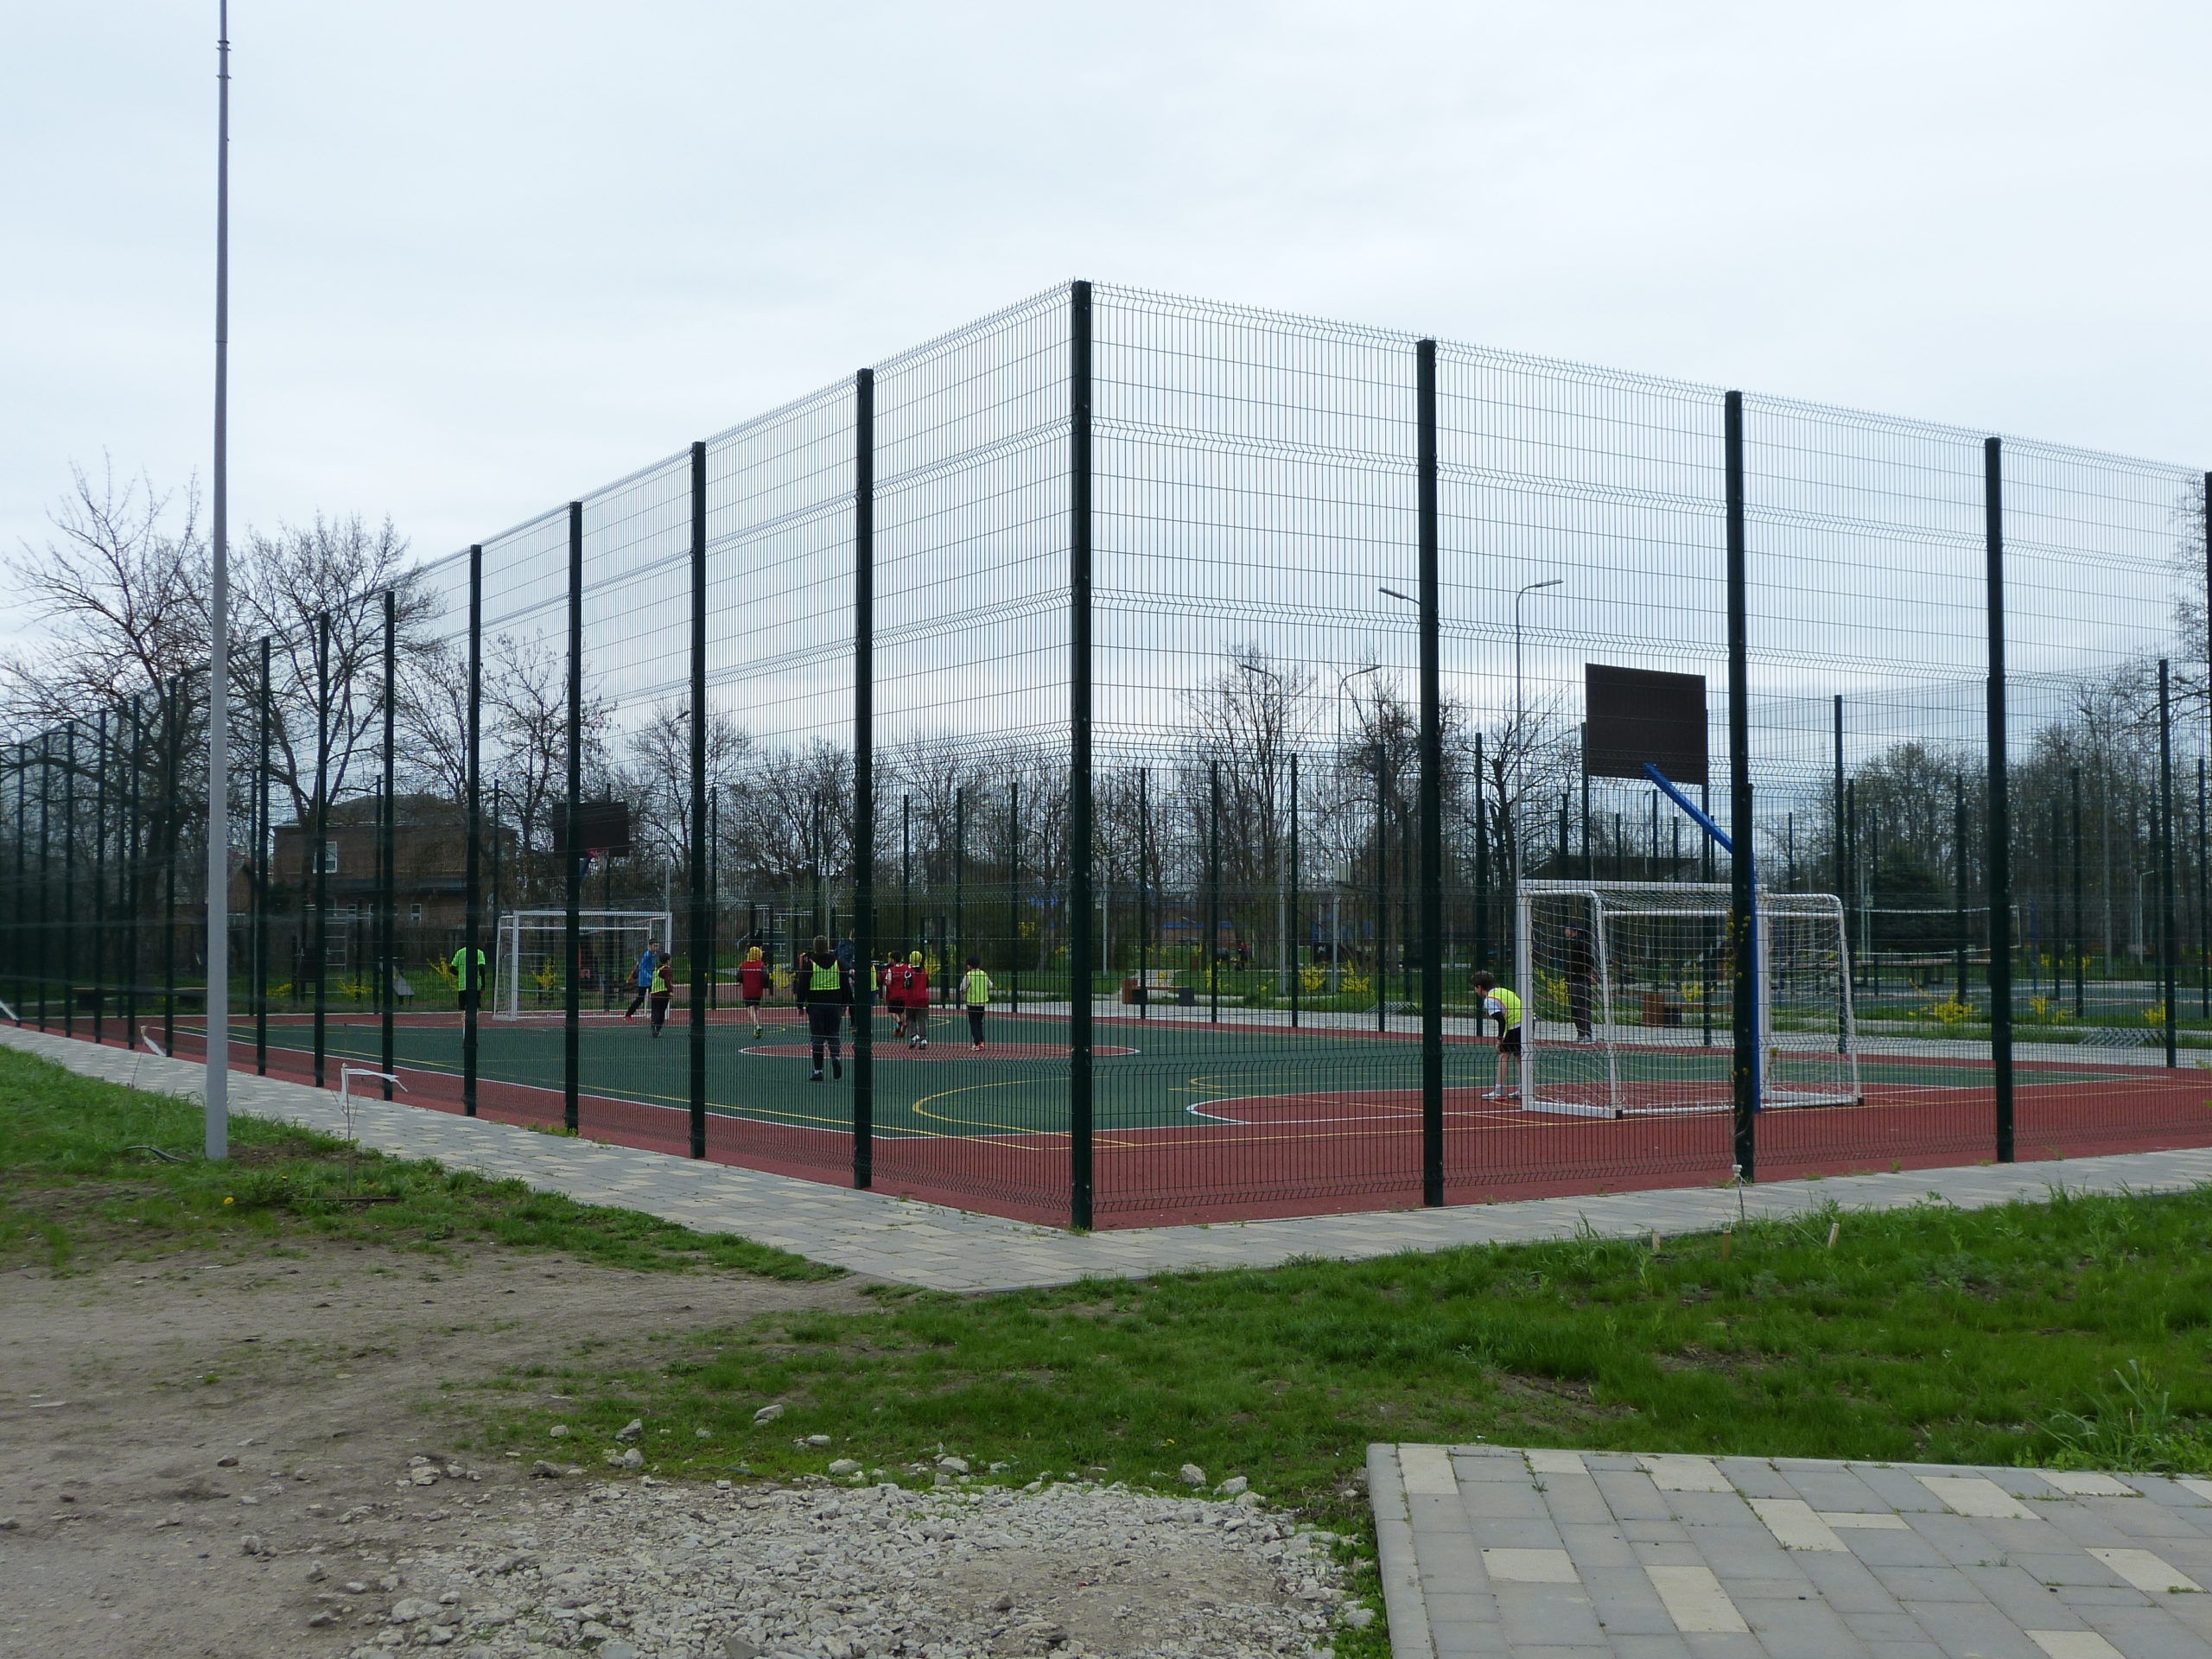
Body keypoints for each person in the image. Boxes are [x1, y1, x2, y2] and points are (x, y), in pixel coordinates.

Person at [795, 935, 849, 1083]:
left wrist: (800, 1005)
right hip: (834, 1004)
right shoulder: (837, 963)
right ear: (827, 947)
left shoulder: (810, 964)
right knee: (833, 1033)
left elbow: (802, 986)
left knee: (817, 1037)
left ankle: (818, 1071)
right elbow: (845, 984)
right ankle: (835, 1057)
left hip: (816, 1005)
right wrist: (845, 1003)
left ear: (814, 947)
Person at [1470, 971, 1522, 1101]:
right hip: (1527, 1022)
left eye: (1475, 987)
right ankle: (1524, 1089)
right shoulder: (1502, 991)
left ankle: (1499, 1091)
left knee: (1504, 1055)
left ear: (1479, 987)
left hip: (1516, 1024)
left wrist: (1499, 1040)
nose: (1475, 990)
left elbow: (1501, 1020)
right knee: (1520, 1056)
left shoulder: (1489, 999)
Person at [1563, 923, 1595, 1042]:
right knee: (1575, 1007)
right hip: (1572, 979)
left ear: (1573, 930)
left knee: (1582, 1007)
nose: (1565, 931)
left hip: (1580, 980)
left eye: (1567, 929)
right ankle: (1580, 1033)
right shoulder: (1572, 943)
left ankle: (1587, 1033)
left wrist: (1588, 973)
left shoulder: (1581, 943)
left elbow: (1589, 960)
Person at [892, 950, 930, 1049]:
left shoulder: (908, 972)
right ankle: (923, 1039)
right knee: (922, 1019)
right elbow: (927, 984)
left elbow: (907, 985)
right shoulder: (924, 972)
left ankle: (914, 1035)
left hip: (911, 999)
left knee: (910, 1018)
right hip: (923, 999)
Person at [624, 939, 664, 1022]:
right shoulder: (647, 955)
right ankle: (628, 1014)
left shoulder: (654, 955)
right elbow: (641, 968)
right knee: (640, 998)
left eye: (657, 946)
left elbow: (651, 966)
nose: (656, 948)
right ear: (650, 946)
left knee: (655, 996)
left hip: (651, 980)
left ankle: (655, 1015)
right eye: (655, 946)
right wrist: (649, 976)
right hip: (644, 980)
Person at [738, 944, 771, 1039]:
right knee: (757, 1006)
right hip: (758, 989)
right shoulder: (761, 965)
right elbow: (765, 976)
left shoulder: (743, 965)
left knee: (750, 1007)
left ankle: (756, 1024)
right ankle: (758, 1023)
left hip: (748, 989)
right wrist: (764, 985)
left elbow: (739, 977)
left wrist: (741, 980)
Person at [962, 957, 991, 1049]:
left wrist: (964, 992)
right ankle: (981, 1041)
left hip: (972, 1002)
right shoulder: (983, 974)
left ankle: (977, 1042)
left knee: (973, 1023)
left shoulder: (968, 975)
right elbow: (990, 985)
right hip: (982, 1002)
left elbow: (963, 988)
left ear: (969, 965)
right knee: (979, 1022)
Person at [450, 942, 487, 1013]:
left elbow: (452, 969)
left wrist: (460, 975)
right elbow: (481, 968)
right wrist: (483, 985)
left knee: (463, 1007)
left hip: (462, 985)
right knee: (475, 1006)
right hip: (475, 984)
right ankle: (474, 1018)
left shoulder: (460, 952)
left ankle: (464, 1018)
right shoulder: (479, 953)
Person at [646, 957, 673, 1037]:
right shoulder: (666, 970)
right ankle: (658, 1029)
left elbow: (651, 981)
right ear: (667, 960)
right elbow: (667, 980)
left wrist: (651, 990)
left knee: (655, 1011)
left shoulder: (656, 970)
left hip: (654, 994)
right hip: (663, 993)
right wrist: (670, 990)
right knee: (661, 1012)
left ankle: (654, 1025)